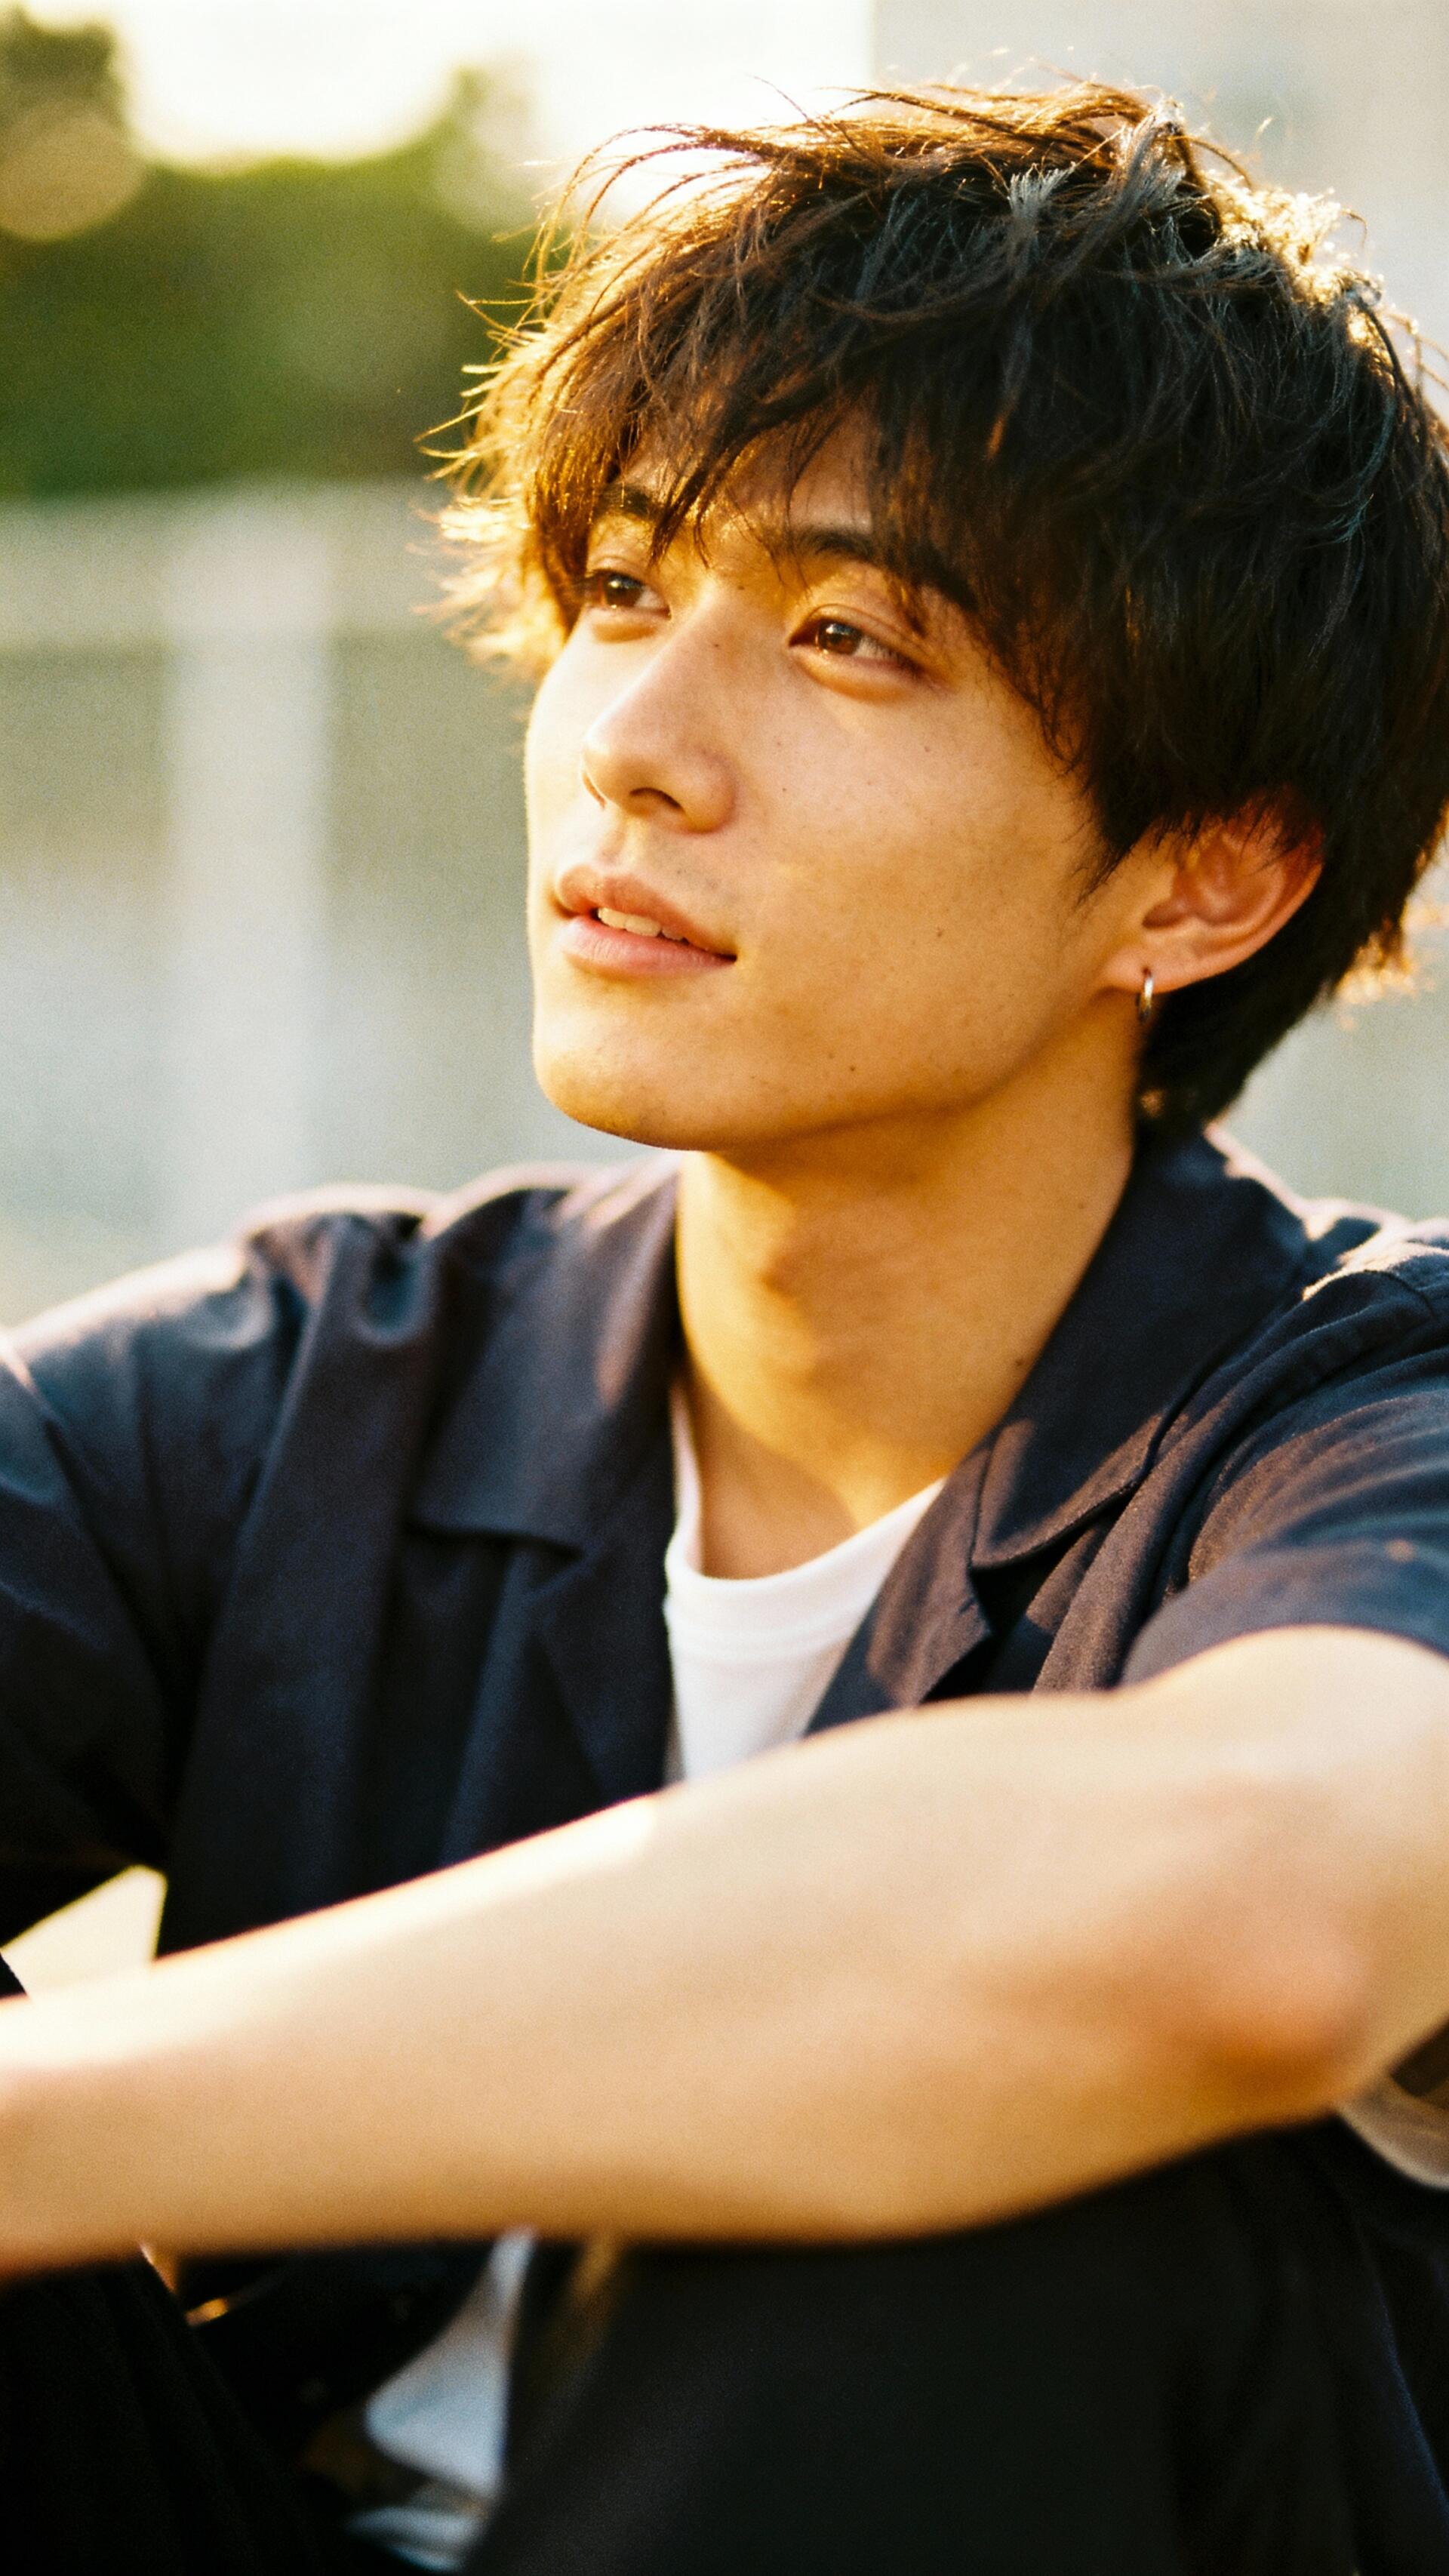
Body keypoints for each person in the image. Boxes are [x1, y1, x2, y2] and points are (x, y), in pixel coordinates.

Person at [4, 76, 1449, 2574]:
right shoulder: (297, 1389)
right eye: (624, 592)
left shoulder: (1367, 1425)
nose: (637, 753)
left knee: (978, 2123)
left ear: (1205, 880)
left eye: (847, 637)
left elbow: (1252, 1913)